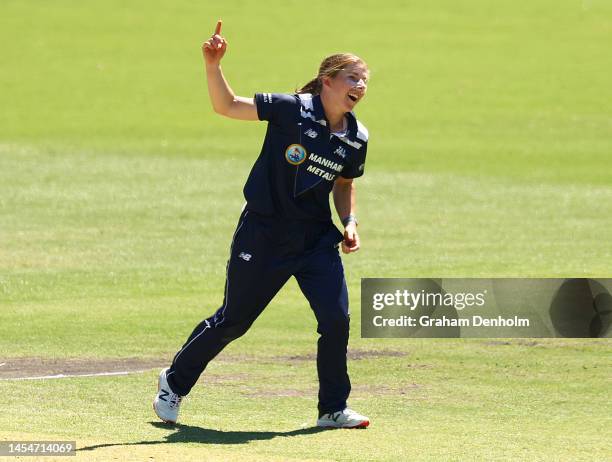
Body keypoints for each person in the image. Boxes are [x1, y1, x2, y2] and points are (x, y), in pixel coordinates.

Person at [153, 20, 371, 429]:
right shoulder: (290, 109)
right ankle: (174, 382)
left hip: (314, 242)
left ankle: (332, 409)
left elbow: (344, 184)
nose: (359, 86)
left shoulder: (356, 136)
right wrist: (212, 64)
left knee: (336, 321)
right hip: (265, 233)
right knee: (234, 320)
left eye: (364, 81)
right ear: (327, 81)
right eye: (351, 78)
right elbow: (228, 106)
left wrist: (350, 221)